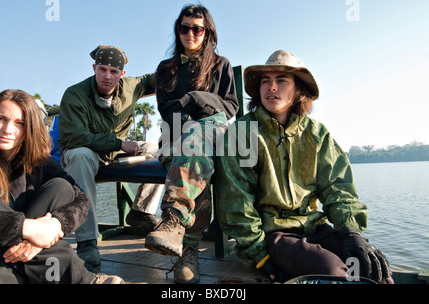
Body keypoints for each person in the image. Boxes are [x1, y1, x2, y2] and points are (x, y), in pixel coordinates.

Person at [214, 50, 394, 284]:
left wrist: (351, 232)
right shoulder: (242, 133)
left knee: (376, 272)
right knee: (335, 275)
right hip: (273, 234)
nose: (272, 87)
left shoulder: (317, 134)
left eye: (281, 81)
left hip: (315, 227)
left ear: (299, 90)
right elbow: (235, 202)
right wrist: (261, 257)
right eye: (266, 81)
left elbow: (337, 188)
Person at [0, 89, 124, 284]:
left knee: (61, 186)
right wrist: (25, 229)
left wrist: (56, 223)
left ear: (29, 127)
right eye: (0, 119)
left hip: (3, 261)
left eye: (19, 123)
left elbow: (81, 199)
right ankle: (85, 280)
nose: (7, 129)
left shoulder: (39, 162)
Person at [144, 5, 239, 284]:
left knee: (197, 141)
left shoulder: (221, 65)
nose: (190, 34)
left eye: (197, 29)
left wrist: (195, 99)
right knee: (196, 159)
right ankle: (189, 254)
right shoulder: (166, 69)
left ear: (207, 32)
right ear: (178, 30)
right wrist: (188, 113)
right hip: (175, 134)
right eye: (184, 28)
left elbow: (230, 107)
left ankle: (174, 221)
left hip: (214, 132)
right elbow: (166, 110)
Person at [58, 45, 164, 268]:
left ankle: (141, 211)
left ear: (122, 74)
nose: (108, 76)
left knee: (160, 148)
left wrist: (185, 59)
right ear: (94, 68)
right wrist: (119, 143)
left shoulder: (131, 86)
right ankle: (87, 241)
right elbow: (76, 138)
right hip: (84, 151)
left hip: (115, 151)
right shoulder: (74, 94)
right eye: (103, 69)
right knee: (79, 156)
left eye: (114, 71)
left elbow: (153, 79)